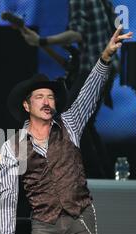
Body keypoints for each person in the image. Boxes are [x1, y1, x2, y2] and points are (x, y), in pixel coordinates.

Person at [0, 26, 132, 234]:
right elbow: (8, 198)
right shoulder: (12, 146)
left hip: (80, 217)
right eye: (39, 97)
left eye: (50, 96)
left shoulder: (70, 123)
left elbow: (90, 92)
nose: (47, 102)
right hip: (44, 225)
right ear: (27, 106)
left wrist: (105, 57)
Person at [18, 0, 119, 178]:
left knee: (69, 118)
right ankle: (106, 174)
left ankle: (96, 174)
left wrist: (42, 40)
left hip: (94, 68)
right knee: (85, 123)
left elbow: (77, 34)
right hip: (103, 66)